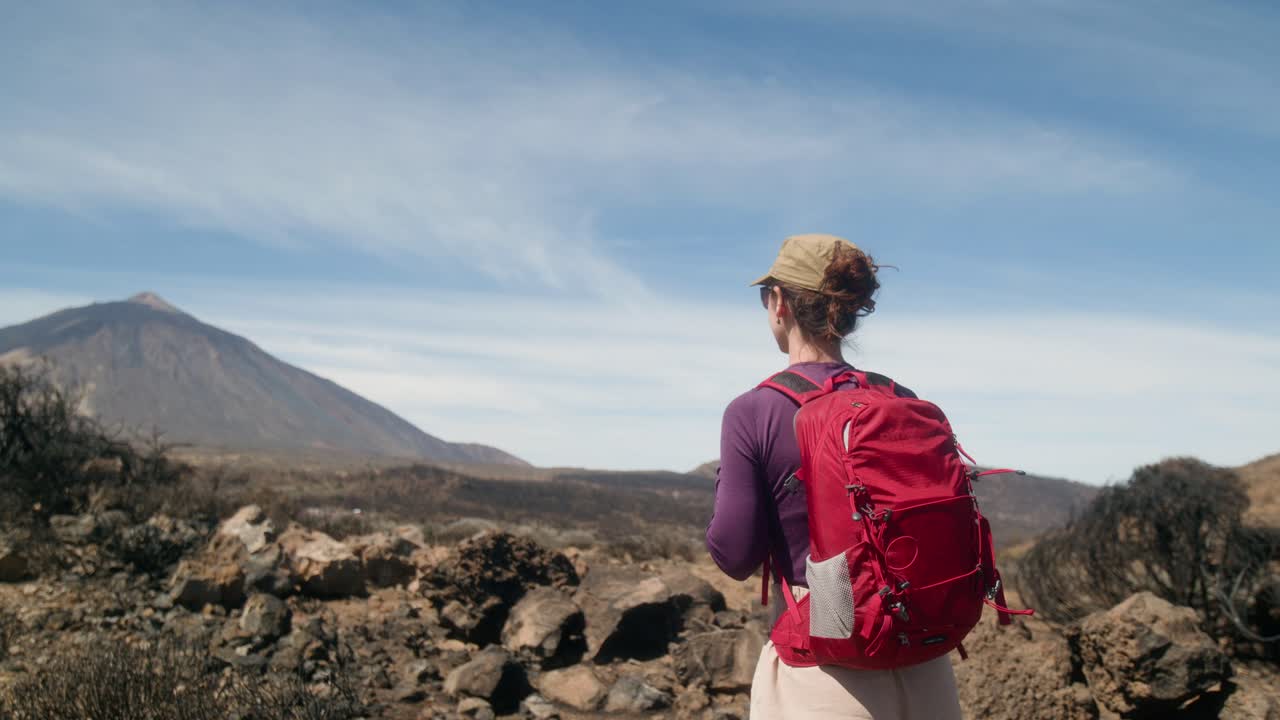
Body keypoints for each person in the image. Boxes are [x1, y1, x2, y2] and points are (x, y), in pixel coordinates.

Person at [706, 234, 963, 719]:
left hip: (825, 659)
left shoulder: (754, 410)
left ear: (779, 302)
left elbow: (734, 555)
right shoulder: (901, 398)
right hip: (925, 660)